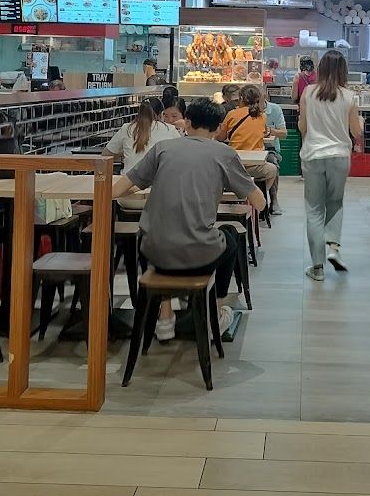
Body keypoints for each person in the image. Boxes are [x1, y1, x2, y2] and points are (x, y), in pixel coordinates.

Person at [112, 97, 265, 342]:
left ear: (187, 123)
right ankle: (215, 313)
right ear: (218, 128)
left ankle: (165, 314)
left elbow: (119, 189)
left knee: (161, 232)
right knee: (231, 236)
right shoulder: (224, 154)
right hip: (198, 254)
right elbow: (259, 203)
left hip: (152, 251)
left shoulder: (163, 149)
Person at [299, 49, 363, 281]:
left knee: (314, 210)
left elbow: (302, 128)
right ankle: (333, 249)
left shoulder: (308, 92)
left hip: (313, 155)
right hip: (339, 156)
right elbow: (356, 132)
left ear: (321, 69)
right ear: (343, 70)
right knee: (335, 203)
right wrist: (359, 123)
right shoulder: (349, 96)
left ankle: (317, 268)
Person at [216, 84, 279, 195]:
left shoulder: (232, 114)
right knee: (272, 170)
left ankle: (241, 193)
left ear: (241, 98)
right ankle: (255, 194)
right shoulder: (262, 116)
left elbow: (221, 137)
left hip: (234, 165)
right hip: (256, 166)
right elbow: (264, 133)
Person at [103, 98, 179, 172]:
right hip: (157, 182)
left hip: (128, 182)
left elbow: (106, 155)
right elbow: (182, 153)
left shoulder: (127, 128)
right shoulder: (169, 129)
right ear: (162, 114)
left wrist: (124, 152)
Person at [262, 87, 287, 215]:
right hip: (250, 147)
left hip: (270, 148)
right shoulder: (245, 110)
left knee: (272, 163)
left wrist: (270, 131)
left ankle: (274, 199)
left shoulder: (275, 109)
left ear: (265, 97)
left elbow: (284, 133)